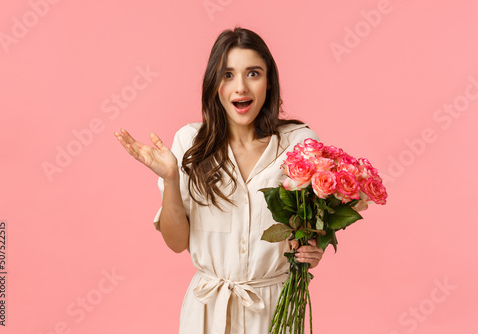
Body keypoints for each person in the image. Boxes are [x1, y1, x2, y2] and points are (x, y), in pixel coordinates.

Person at [114, 27, 324, 334]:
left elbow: (310, 226)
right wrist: (171, 179)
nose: (241, 87)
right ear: (214, 84)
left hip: (276, 307)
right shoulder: (190, 143)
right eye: (227, 75)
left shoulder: (300, 144)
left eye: (253, 73)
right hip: (207, 314)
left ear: (269, 82)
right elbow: (176, 243)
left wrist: (312, 249)